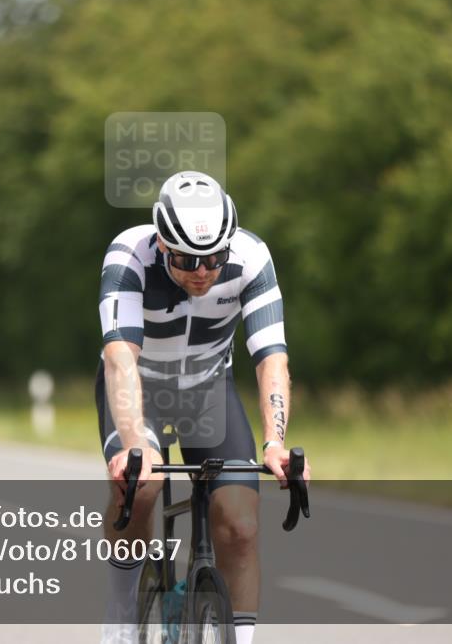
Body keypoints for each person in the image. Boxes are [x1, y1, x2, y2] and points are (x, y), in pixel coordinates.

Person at [96, 171, 311, 644]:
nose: (202, 270)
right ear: (160, 242)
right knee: (143, 486)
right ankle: (119, 617)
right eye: (187, 258)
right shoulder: (130, 256)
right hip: (140, 388)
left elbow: (271, 357)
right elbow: (119, 359)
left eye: (214, 257)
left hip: (207, 389)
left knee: (241, 525)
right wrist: (136, 446)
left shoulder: (252, 258)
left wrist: (274, 440)